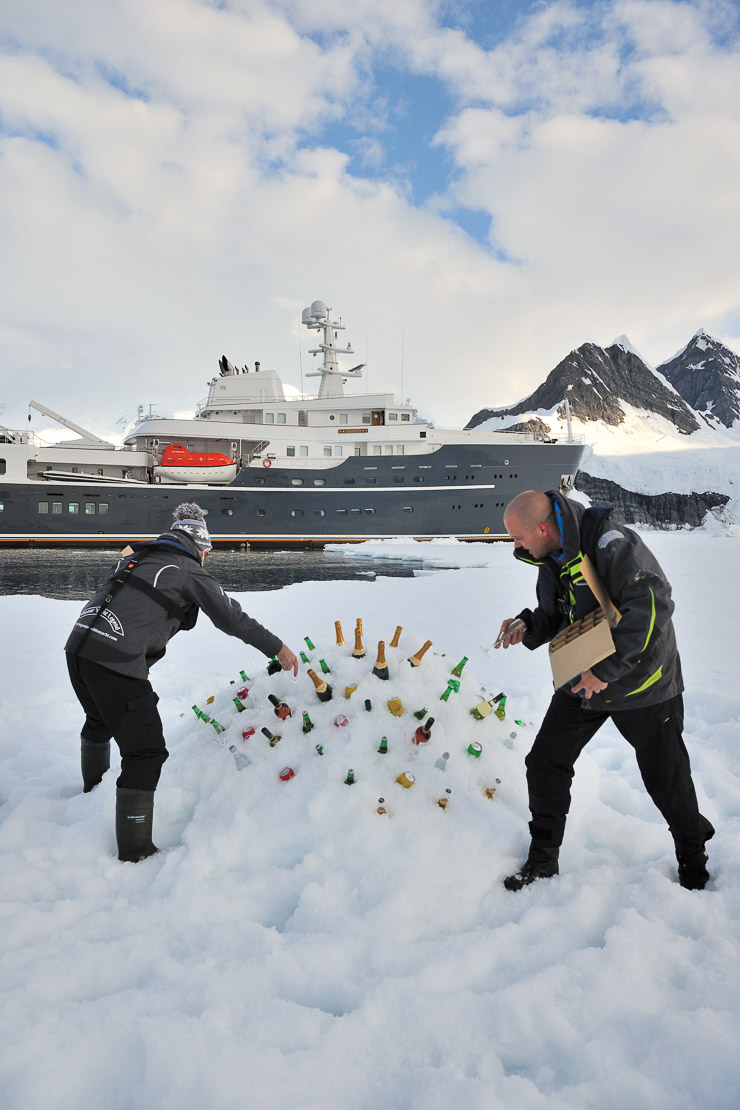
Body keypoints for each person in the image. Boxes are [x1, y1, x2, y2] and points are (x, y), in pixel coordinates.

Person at [496, 489, 714, 892]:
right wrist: (528, 625)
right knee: (545, 762)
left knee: (667, 780)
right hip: (585, 679)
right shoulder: (552, 557)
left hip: (643, 683)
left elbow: (653, 606)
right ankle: (543, 862)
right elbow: (561, 614)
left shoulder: (613, 543)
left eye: (518, 537)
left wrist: (607, 670)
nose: (516, 546)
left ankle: (693, 864)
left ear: (542, 528)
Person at [65, 502, 298, 862]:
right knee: (146, 752)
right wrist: (278, 648)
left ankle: (90, 793)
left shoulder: (136, 555)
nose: (206, 559)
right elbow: (232, 618)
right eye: (206, 553)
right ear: (199, 546)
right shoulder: (187, 568)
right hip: (113, 663)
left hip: (78, 649)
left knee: (99, 720)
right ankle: (135, 851)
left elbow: (136, 605)